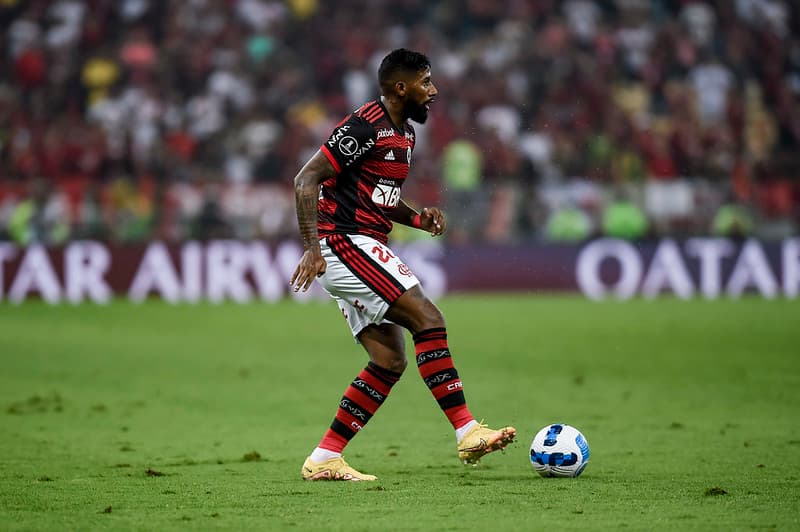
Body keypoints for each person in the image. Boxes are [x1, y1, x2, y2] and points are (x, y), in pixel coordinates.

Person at [289, 48, 516, 482]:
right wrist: (313, 247)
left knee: (389, 360)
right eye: (425, 82)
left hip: (358, 241)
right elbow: (306, 179)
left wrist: (416, 217)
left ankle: (324, 457)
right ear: (400, 87)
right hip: (342, 242)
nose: (433, 91)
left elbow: (375, 198)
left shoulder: (405, 134)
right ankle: (467, 430)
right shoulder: (363, 126)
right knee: (428, 319)